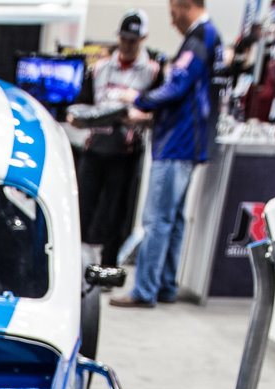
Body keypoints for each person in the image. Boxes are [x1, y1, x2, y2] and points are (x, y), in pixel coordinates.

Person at [112, 0, 221, 308]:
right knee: (172, 219)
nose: (172, 22)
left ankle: (145, 291)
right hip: (187, 142)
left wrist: (140, 99)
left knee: (157, 219)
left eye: (173, 13)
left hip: (177, 143)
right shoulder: (209, 37)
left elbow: (177, 87)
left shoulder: (200, 37)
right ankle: (166, 286)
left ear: (185, 6)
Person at [71, 11, 160, 269]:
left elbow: (159, 113)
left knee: (115, 213)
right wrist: (78, 117)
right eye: (124, 39)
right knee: (82, 208)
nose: (128, 44)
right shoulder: (99, 68)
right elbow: (83, 103)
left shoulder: (152, 72)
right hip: (95, 148)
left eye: (133, 40)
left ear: (142, 39)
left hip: (125, 153)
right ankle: (73, 264)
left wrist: (139, 118)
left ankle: (109, 267)